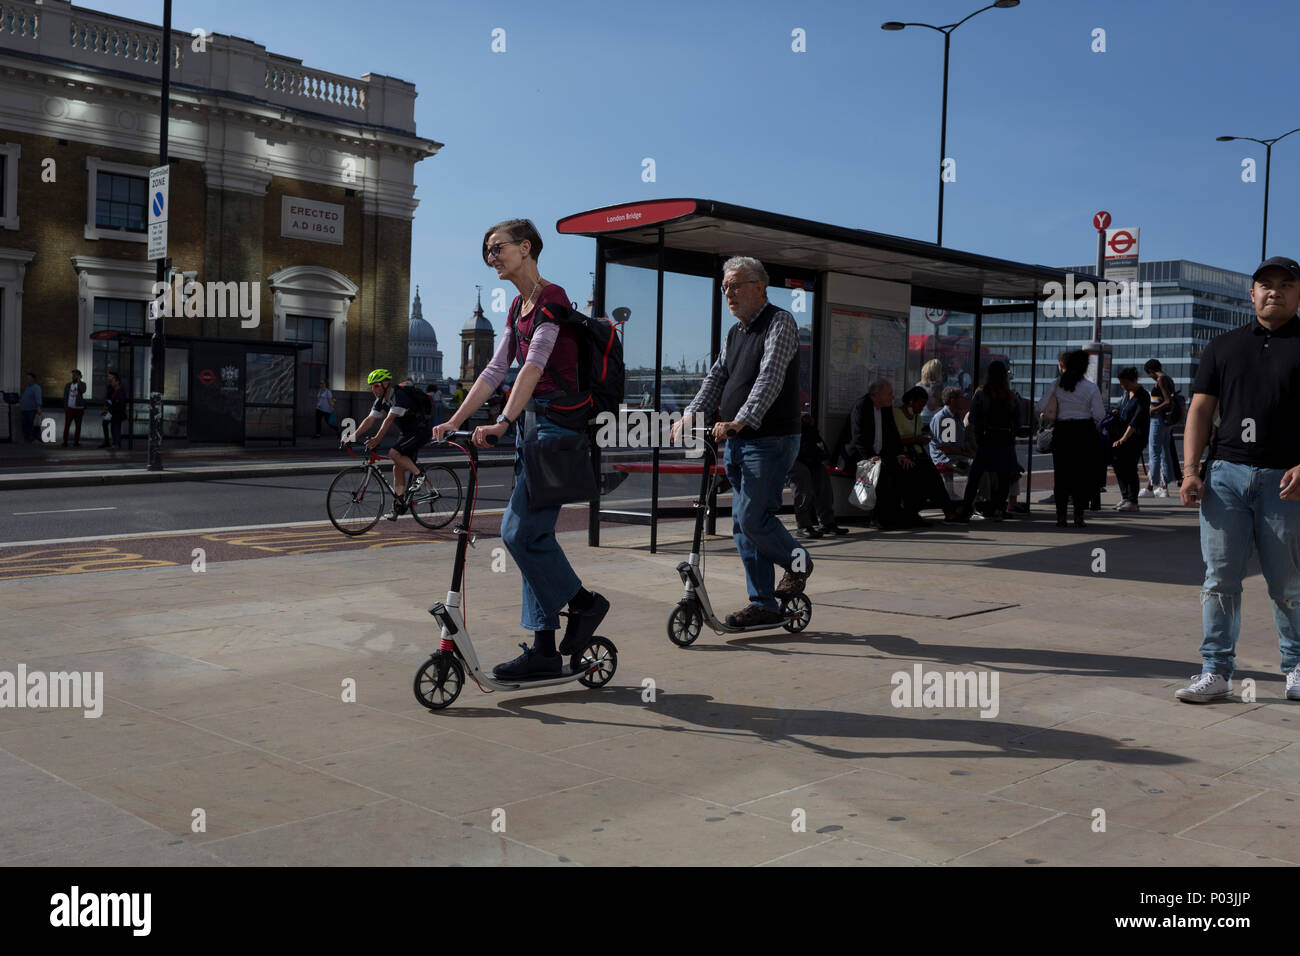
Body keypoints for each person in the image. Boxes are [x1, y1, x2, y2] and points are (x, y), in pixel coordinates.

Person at [433, 218, 609, 679]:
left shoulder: (552, 297)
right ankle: (545, 650)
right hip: (534, 429)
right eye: (487, 252)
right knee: (536, 537)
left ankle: (585, 604)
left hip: (556, 428)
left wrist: (502, 421)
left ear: (526, 248)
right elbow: (495, 370)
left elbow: (533, 367)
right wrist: (455, 420)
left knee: (516, 533)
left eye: (497, 249)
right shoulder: (517, 307)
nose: (491, 258)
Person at [1176, 256, 1300, 704]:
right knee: (1220, 578)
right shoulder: (1223, 347)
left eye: (1286, 285)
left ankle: (1297, 665)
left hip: (1287, 480)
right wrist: (1191, 471)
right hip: (1225, 475)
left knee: (1287, 580)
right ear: (1252, 294)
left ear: (1298, 294)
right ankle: (1216, 670)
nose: (1275, 292)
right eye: (1265, 285)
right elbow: (1201, 411)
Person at [669, 255, 812, 627]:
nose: (728, 293)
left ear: (760, 287)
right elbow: (716, 378)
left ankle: (799, 562)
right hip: (735, 440)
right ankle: (763, 603)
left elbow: (770, 379)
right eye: (724, 287)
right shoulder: (736, 333)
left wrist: (740, 421)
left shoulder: (780, 322)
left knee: (753, 517)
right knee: (741, 524)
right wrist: (691, 413)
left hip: (771, 438)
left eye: (735, 285)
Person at [833, 379, 916, 530]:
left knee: (905, 469)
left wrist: (900, 455)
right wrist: (870, 456)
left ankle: (902, 515)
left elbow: (893, 434)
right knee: (881, 472)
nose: (893, 397)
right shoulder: (862, 406)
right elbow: (858, 437)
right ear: (877, 395)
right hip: (858, 454)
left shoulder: (885, 408)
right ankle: (879, 518)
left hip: (879, 454)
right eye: (889, 394)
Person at [350, 369, 432, 520]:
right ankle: (398, 507)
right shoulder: (381, 401)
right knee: (397, 469)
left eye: (376, 386)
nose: (373, 390)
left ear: (386, 384)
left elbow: (388, 420)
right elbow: (369, 420)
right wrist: (352, 436)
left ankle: (420, 476)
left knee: (393, 453)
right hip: (407, 433)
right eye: (372, 387)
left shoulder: (399, 397)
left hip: (420, 431)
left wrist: (376, 439)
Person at [1037, 350, 1104, 527]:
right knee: (1081, 476)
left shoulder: (1056, 384)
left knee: (1061, 476)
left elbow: (1041, 406)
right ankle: (1079, 516)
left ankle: (1060, 516)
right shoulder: (1090, 387)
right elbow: (1099, 414)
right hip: (1084, 432)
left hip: (1062, 431)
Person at [957, 361, 1020, 522]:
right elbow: (1017, 421)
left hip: (987, 440)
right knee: (1003, 477)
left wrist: (979, 434)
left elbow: (972, 418)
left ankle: (966, 508)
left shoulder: (981, 393)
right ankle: (999, 509)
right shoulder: (1010, 395)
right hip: (1005, 440)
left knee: (975, 476)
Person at [895, 386, 959, 521]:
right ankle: (914, 511)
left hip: (917, 454)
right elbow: (893, 440)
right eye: (920, 404)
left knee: (933, 475)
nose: (921, 408)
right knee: (920, 475)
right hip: (902, 454)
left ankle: (948, 510)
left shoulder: (917, 418)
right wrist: (915, 439)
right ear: (911, 401)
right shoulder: (896, 414)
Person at [787, 407, 848, 538]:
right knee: (802, 481)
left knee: (822, 478)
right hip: (787, 455)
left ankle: (827, 522)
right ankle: (803, 524)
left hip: (805, 452)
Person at [1110, 368, 1149, 512]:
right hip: (1121, 435)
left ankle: (1133, 500)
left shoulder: (1143, 396)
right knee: (1118, 466)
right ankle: (1125, 497)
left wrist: (1124, 438)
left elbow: (1136, 420)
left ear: (1134, 381)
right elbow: (1121, 409)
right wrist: (1116, 411)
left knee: (1130, 468)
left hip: (1135, 437)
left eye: (1125, 383)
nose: (1123, 386)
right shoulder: (1126, 394)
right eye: (1121, 384)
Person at [1142, 358, 1178, 498]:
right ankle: (1164, 487)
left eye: (1148, 374)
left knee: (1154, 452)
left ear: (1151, 371)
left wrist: (1153, 410)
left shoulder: (1161, 380)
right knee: (1164, 452)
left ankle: (1151, 486)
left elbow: (1168, 401)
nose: (1149, 377)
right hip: (1166, 421)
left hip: (1158, 419)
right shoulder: (1169, 379)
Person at [929, 387, 973, 495]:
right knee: (975, 469)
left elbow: (958, 442)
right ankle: (974, 501)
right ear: (952, 400)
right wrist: (966, 453)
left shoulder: (956, 417)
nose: (964, 400)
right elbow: (946, 449)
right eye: (961, 397)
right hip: (946, 459)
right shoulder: (945, 418)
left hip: (956, 456)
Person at [99, 371, 126, 449]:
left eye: (113, 381)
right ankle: (115, 443)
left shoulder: (120, 390)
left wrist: (111, 406)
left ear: (117, 381)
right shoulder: (114, 389)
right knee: (113, 428)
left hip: (117, 412)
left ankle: (116, 444)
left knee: (116, 428)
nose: (111, 382)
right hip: (113, 412)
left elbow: (119, 402)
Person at [917, 358, 944, 431]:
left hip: (920, 420)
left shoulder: (918, 386)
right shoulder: (937, 386)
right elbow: (933, 406)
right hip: (933, 421)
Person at [62, 370, 86, 447]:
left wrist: (79, 382)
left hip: (79, 408)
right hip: (70, 408)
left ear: (79, 376)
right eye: (73, 375)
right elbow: (65, 396)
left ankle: (76, 442)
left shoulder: (83, 384)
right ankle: (65, 442)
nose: (73, 376)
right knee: (67, 426)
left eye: (75, 375)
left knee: (78, 426)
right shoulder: (68, 385)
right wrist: (65, 407)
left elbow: (83, 391)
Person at [19, 371, 41, 443]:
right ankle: (27, 438)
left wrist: (38, 408)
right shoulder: (28, 387)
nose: (27, 379)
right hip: (24, 409)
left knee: (30, 425)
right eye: (27, 378)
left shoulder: (36, 388)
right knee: (24, 425)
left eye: (29, 378)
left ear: (33, 379)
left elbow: (38, 398)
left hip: (31, 410)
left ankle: (31, 439)